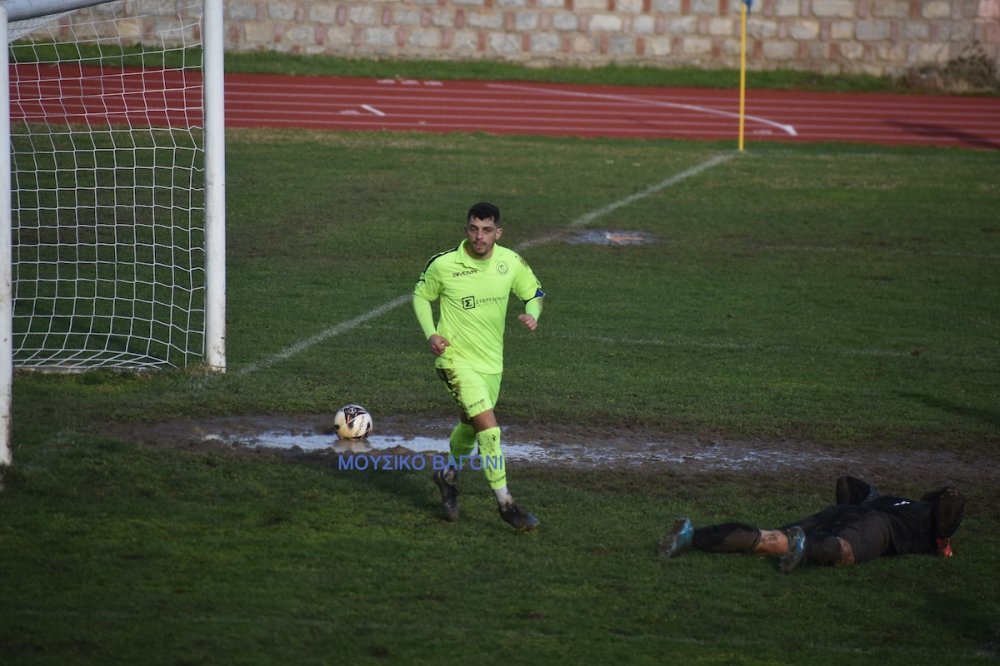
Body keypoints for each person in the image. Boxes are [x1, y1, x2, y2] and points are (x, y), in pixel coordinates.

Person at [413, 201, 545, 531]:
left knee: (470, 427)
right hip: (455, 360)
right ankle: (506, 504)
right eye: (474, 229)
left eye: (487, 230)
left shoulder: (510, 262)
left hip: (492, 364)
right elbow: (420, 296)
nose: (479, 236)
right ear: (466, 230)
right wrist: (431, 334)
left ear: (498, 233)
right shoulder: (443, 264)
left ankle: (447, 476)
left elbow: (534, 293)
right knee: (489, 429)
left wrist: (533, 314)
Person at [658, 476, 965, 572]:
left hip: (843, 512)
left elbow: (847, 483)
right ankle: (803, 547)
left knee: (771, 538)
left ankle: (691, 536)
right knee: (844, 550)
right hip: (878, 524)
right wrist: (944, 543)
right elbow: (953, 501)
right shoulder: (926, 517)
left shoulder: (888, 497)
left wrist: (857, 504)